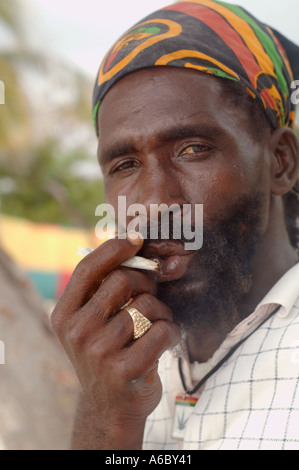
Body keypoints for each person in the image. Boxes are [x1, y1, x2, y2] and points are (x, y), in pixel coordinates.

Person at [51, 0, 299, 450]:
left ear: (280, 162)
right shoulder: (117, 360)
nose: (155, 204)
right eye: (125, 164)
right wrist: (104, 415)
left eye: (193, 149)